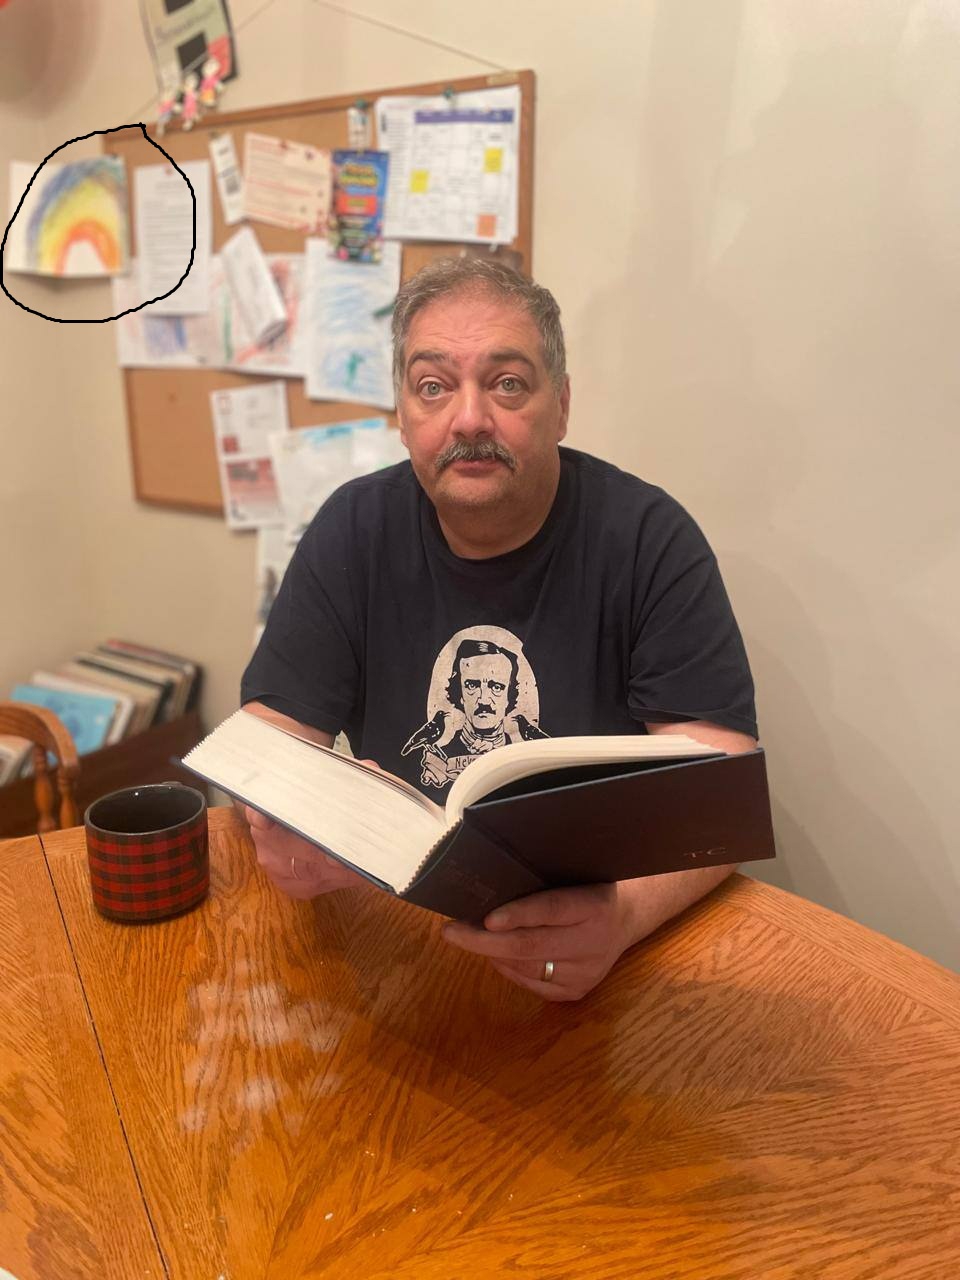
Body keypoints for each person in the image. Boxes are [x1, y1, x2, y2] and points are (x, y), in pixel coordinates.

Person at [240, 256, 758, 1002]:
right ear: (402, 414)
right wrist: (284, 815)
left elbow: (720, 781)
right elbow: (271, 732)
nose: (469, 419)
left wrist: (624, 916)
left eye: (507, 383)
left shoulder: (650, 539)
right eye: (433, 386)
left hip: (596, 944)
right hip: (401, 937)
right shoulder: (352, 528)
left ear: (562, 405)